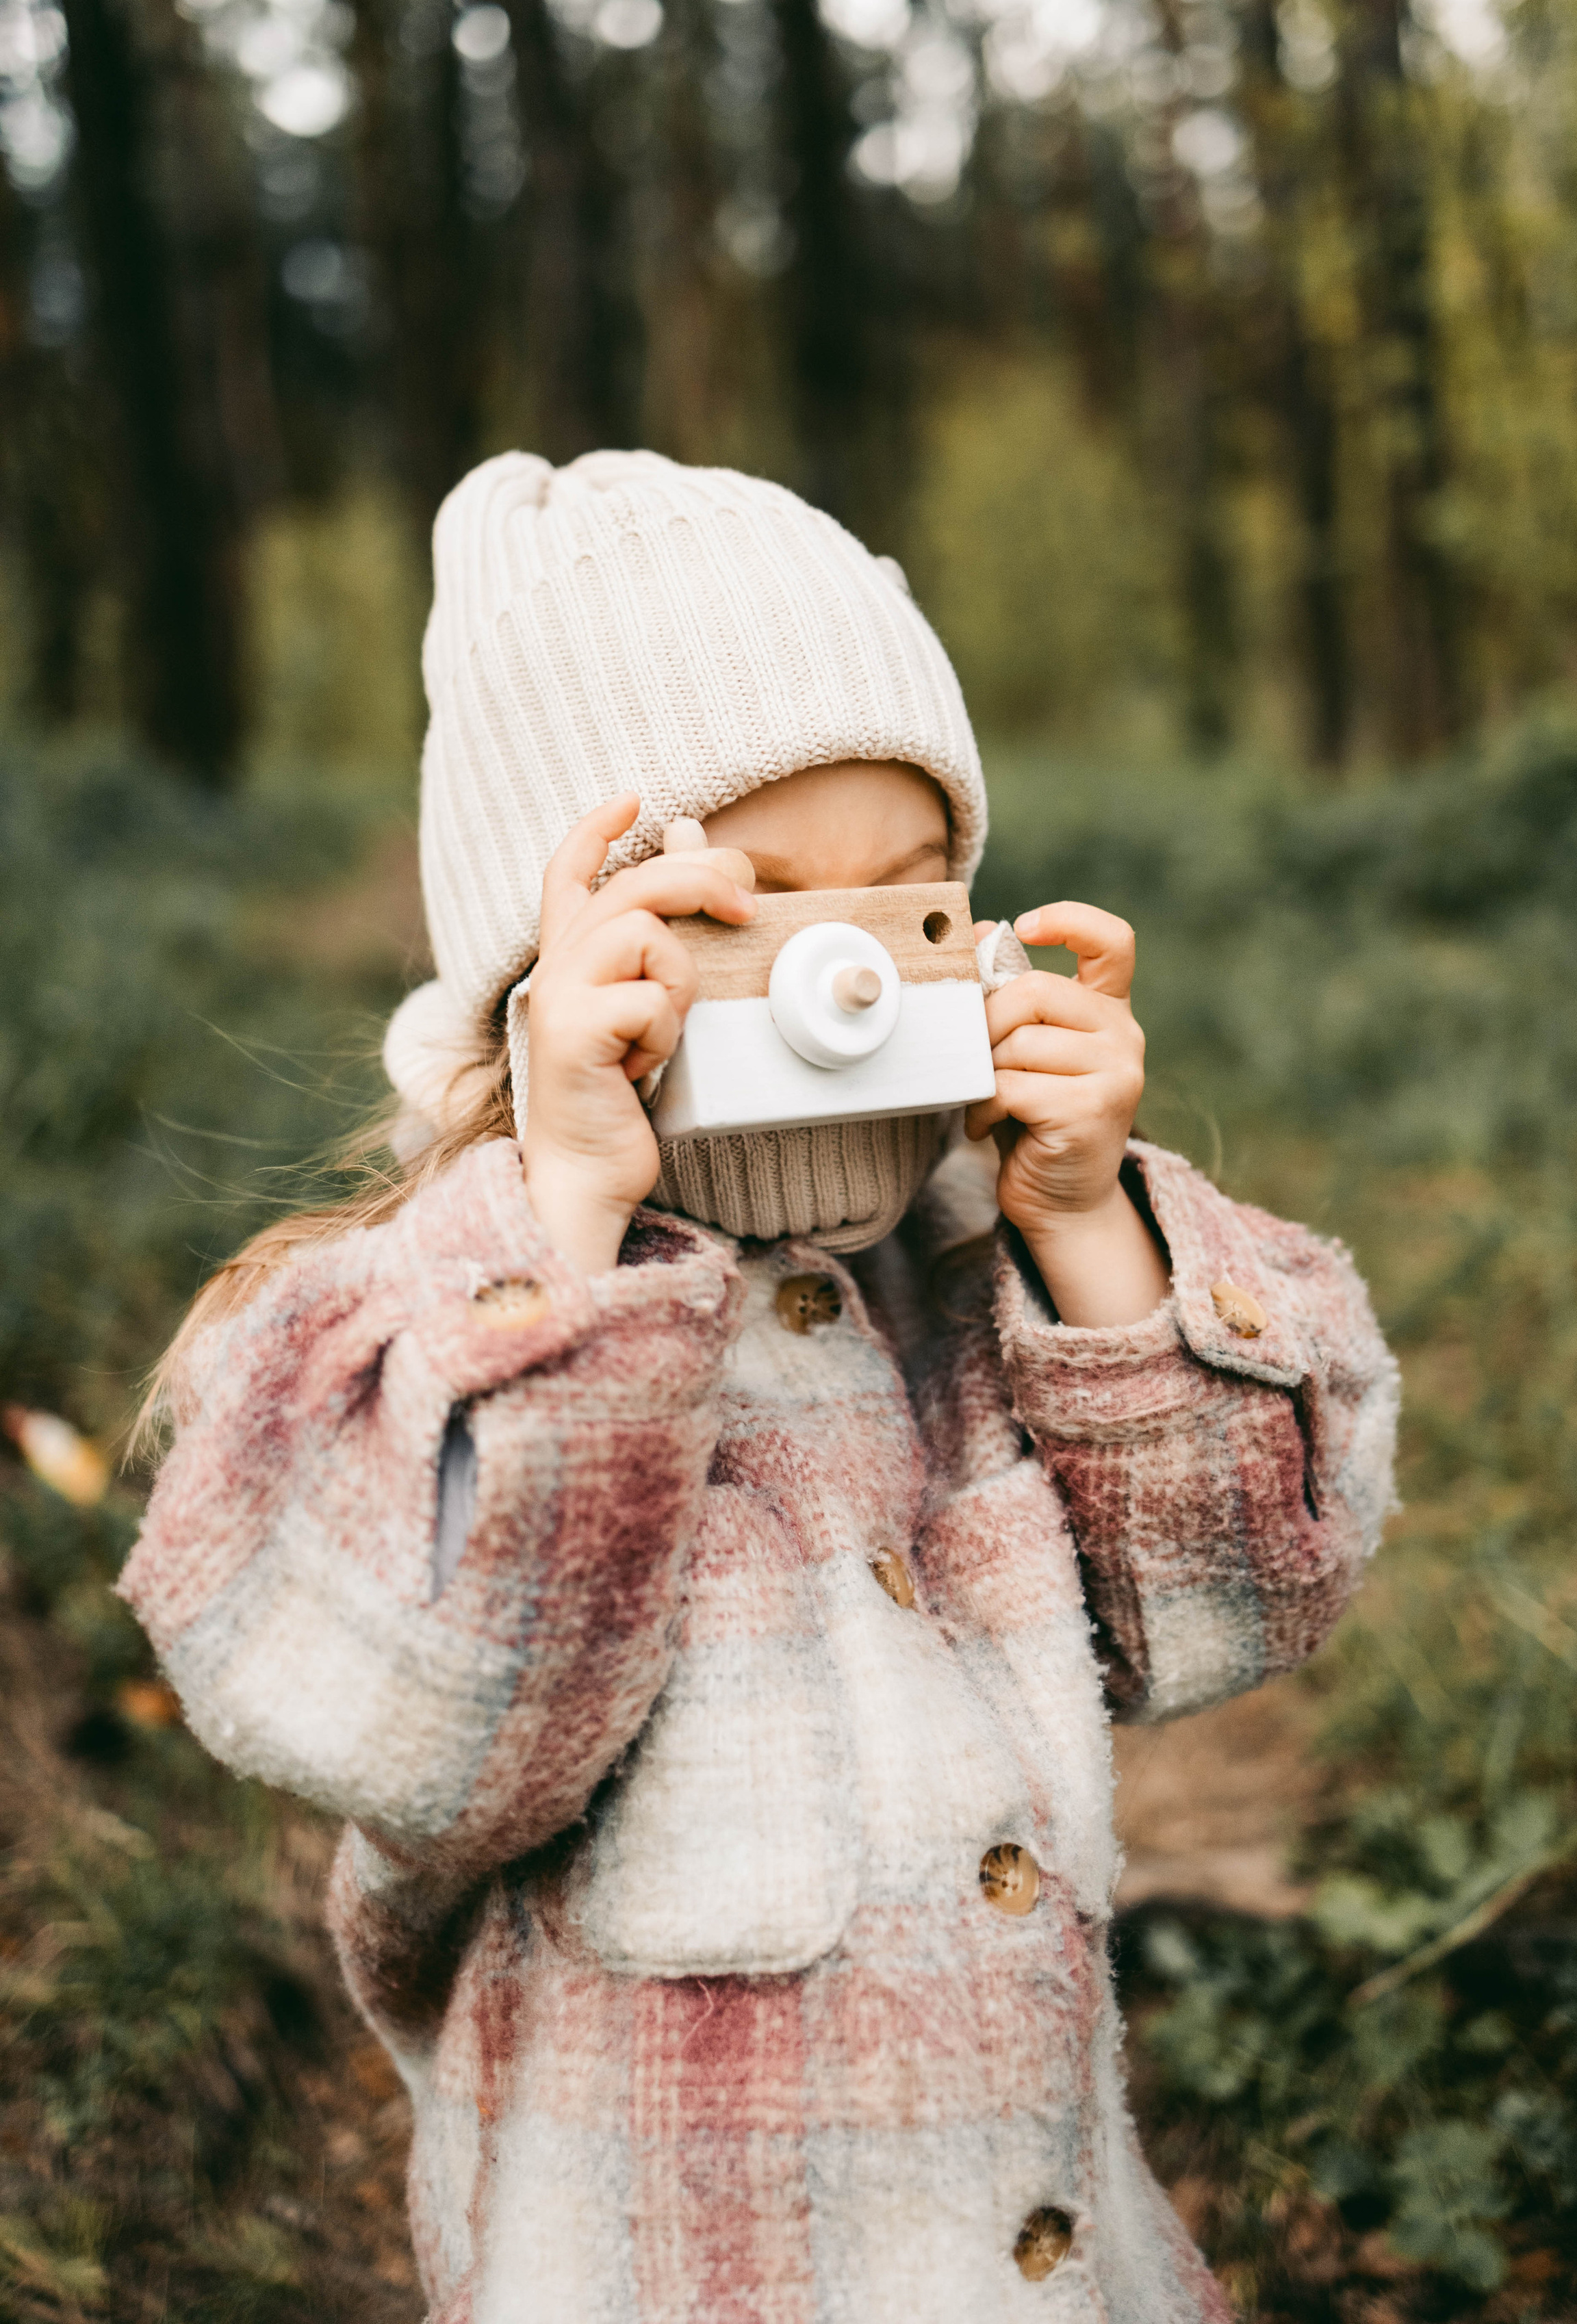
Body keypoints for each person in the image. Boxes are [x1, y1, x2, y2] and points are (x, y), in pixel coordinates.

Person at [122, 451, 1398, 2324]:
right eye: (762, 915)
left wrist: (1090, 1225)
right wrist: (568, 1202)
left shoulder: (972, 1282)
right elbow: (410, 1717)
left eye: (906, 908)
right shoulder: (424, 1318)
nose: (846, 991)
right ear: (550, 966)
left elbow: (1232, 1601)